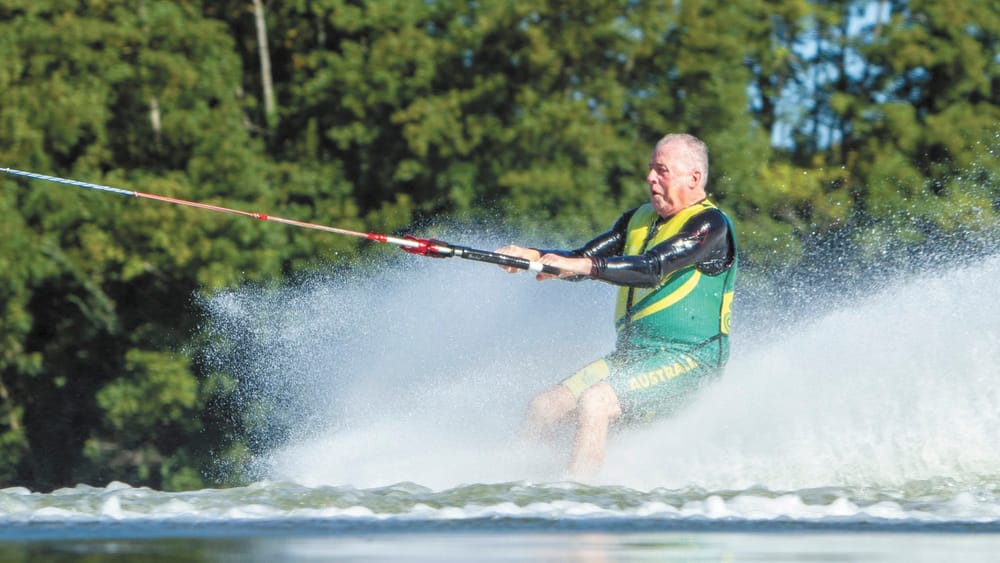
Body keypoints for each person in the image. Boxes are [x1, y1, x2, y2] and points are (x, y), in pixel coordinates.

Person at [497, 133, 738, 478]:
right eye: (651, 169)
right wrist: (532, 256)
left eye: (662, 170)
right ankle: (512, 494)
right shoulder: (638, 219)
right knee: (544, 407)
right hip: (632, 356)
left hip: (689, 359)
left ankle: (578, 506)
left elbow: (653, 268)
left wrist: (584, 267)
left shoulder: (710, 225)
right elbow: (584, 258)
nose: (650, 178)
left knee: (595, 402)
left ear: (693, 178)